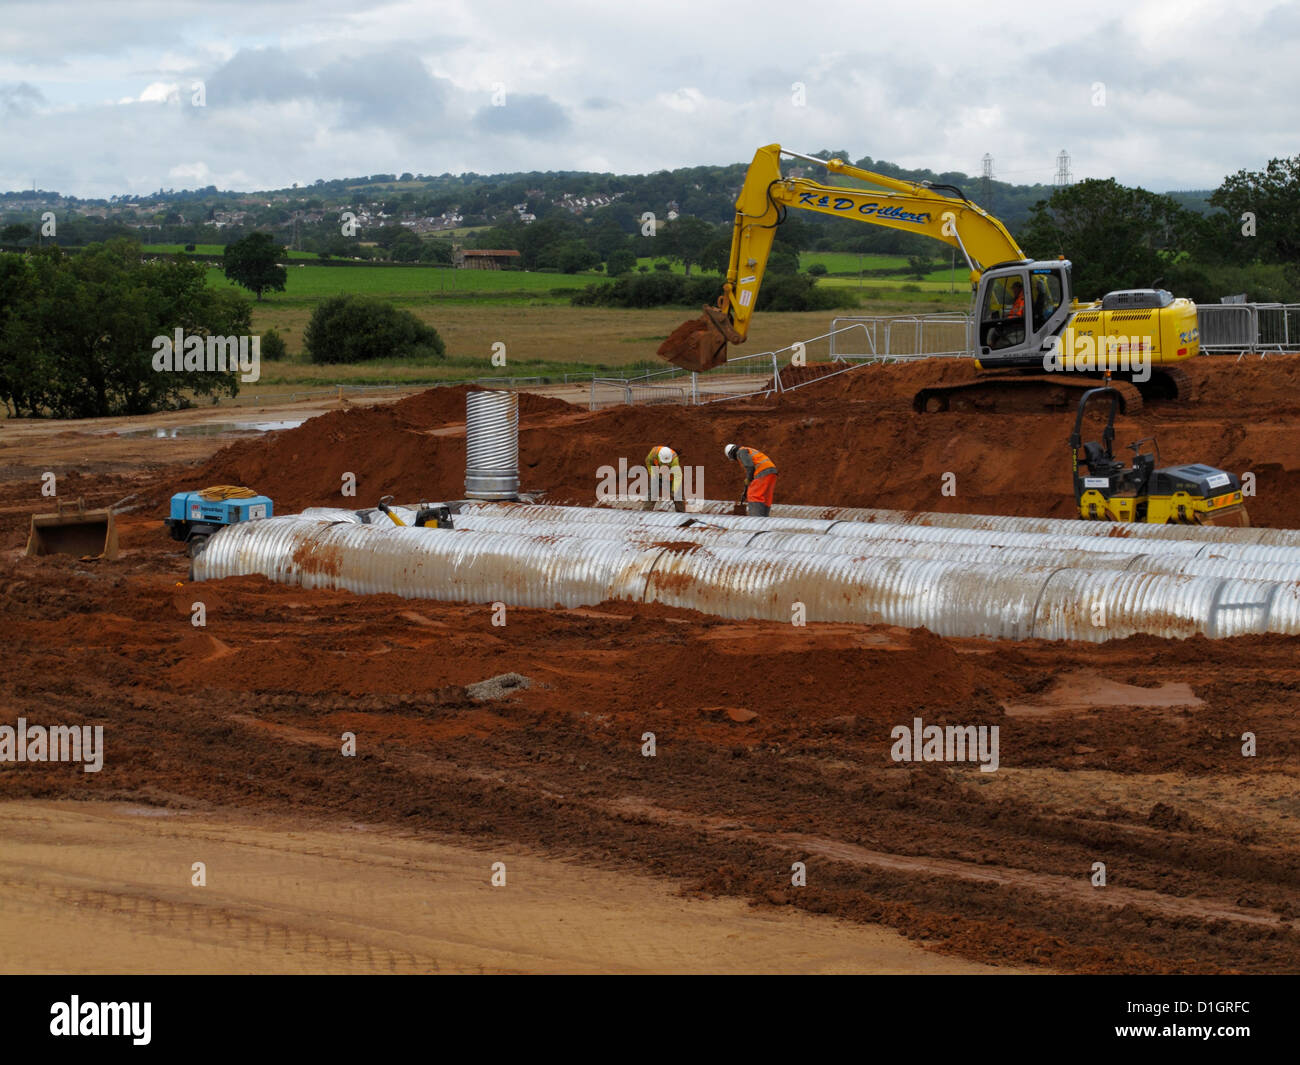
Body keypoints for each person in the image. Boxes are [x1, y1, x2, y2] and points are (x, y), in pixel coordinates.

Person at [724, 443, 777, 517]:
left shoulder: (741, 452)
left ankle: (755, 521)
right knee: (766, 497)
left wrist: (748, 480)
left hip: (762, 471)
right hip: (771, 472)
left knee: (754, 495)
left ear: (731, 453)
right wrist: (746, 490)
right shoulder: (748, 450)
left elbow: (750, 467)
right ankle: (764, 521)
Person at [644, 445, 686, 512]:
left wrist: (674, 489)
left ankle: (681, 513)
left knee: (677, 496)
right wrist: (652, 474)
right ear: (659, 458)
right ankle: (646, 512)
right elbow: (648, 462)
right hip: (657, 475)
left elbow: (678, 475)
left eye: (667, 463)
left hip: (670, 478)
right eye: (663, 463)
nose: (665, 465)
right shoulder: (653, 453)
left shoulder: (674, 459)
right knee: (652, 494)